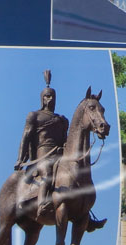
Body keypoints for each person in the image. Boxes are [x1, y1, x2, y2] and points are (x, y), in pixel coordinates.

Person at [14, 70, 106, 230]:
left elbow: (66, 140)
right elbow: (26, 137)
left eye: (52, 96)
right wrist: (20, 158)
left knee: (77, 177)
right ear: (42, 98)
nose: (50, 99)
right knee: (48, 172)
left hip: (59, 154)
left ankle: (86, 213)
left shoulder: (62, 119)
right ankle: (42, 203)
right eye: (47, 96)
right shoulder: (34, 116)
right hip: (43, 156)